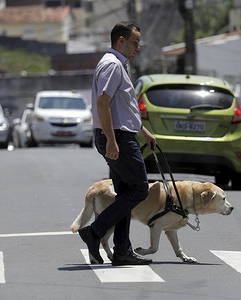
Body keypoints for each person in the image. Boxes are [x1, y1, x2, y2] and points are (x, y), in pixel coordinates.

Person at [78, 21, 156, 266]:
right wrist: (112, 140)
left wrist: (143, 131)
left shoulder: (116, 65)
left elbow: (120, 108)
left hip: (122, 135)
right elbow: (103, 103)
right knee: (140, 189)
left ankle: (122, 251)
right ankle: (95, 231)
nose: (138, 48)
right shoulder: (112, 65)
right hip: (117, 138)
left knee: (125, 193)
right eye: (134, 42)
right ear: (120, 41)